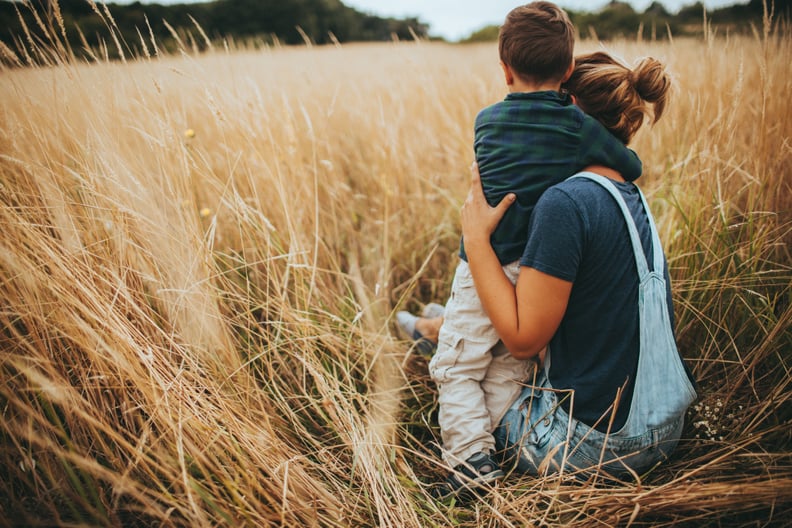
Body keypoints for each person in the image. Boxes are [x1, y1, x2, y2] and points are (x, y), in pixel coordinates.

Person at [403, 51, 697, 501]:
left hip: (590, 447)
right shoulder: (627, 193)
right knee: (471, 328)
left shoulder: (566, 202)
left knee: (473, 367)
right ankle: (435, 326)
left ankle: (437, 339)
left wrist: (477, 240)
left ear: (569, 108)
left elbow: (524, 342)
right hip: (663, 428)